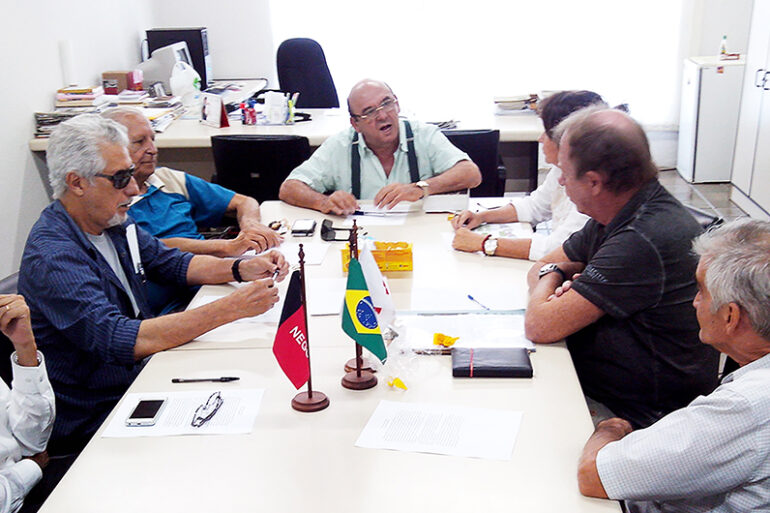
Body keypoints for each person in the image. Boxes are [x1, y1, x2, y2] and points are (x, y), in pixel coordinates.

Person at [18, 114, 288, 456]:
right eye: (120, 179)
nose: (133, 189)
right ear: (77, 183)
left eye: (130, 175)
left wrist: (240, 268)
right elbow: (121, 339)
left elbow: (170, 262)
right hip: (99, 415)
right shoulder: (54, 256)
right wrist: (231, 308)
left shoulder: (112, 221)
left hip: (140, 379)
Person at [524, 107, 719, 429]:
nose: (559, 180)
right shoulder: (619, 210)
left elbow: (540, 325)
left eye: (565, 172)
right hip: (600, 386)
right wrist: (558, 274)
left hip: (638, 418)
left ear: (594, 182)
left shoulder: (642, 237)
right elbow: (542, 267)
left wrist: (557, 277)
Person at [578, 218, 770, 512]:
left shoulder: (745, 407)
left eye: (702, 290)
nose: (694, 302)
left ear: (731, 316)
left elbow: (595, 474)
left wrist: (611, 428)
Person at [103, 107, 283, 314]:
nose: (152, 149)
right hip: (174, 302)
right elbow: (153, 248)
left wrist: (250, 226)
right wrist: (226, 247)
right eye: (139, 142)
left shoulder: (168, 179)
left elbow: (245, 202)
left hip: (210, 278)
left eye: (152, 139)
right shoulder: (111, 203)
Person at [278, 79, 482, 214]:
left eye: (387, 104)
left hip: (419, 233)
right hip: (363, 240)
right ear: (355, 124)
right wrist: (324, 202)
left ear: (398, 105)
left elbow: (471, 173)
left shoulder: (423, 135)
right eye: (369, 112)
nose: (383, 115)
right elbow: (289, 188)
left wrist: (420, 188)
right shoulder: (340, 145)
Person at [451, 90, 596, 260]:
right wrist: (483, 217)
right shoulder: (563, 168)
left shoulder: (591, 187)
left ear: (566, 138)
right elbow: (535, 206)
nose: (540, 139)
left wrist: (483, 243)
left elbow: (558, 249)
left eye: (546, 133)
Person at [0, 295, 54, 513]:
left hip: (27, 484)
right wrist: (32, 466)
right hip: (19, 489)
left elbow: (32, 441)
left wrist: (25, 346)